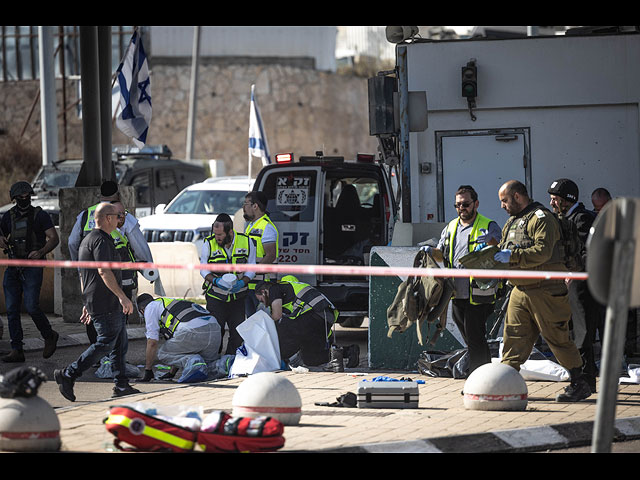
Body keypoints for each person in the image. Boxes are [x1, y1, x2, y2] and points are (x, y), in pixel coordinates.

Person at [493, 180, 590, 402]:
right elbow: (506, 248)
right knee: (513, 337)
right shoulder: (512, 221)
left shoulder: (542, 219)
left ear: (517, 196)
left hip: (546, 290)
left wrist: (513, 256)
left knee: (557, 338)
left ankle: (579, 382)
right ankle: (505, 383)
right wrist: (493, 251)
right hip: (520, 288)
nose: (502, 206)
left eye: (505, 200)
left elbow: (543, 252)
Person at [54, 202, 140, 401]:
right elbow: (102, 271)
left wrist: (86, 302)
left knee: (119, 344)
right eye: (118, 216)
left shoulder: (91, 240)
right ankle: (69, 374)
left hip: (101, 300)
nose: (120, 220)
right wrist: (122, 296)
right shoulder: (100, 241)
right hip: (106, 301)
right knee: (106, 343)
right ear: (108, 218)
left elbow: (86, 276)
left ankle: (121, 385)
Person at [421, 185, 502, 374]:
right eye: (457, 205)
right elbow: (442, 255)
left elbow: (500, 244)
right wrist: (431, 252)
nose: (461, 208)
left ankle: (478, 376)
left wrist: (490, 240)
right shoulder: (451, 227)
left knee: (475, 336)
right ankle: (486, 374)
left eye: (466, 204)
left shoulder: (488, 225)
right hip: (456, 292)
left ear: (476, 204)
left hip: (480, 292)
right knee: (471, 338)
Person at [0, 181, 59, 363]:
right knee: (11, 310)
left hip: (33, 266)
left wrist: (40, 252)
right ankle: (17, 349)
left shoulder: (39, 215)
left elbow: (53, 238)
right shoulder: (8, 216)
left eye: (27, 196)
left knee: (32, 306)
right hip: (13, 267)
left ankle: (49, 335)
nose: (24, 199)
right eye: (20, 197)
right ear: (14, 198)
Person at [548, 178, 598, 392]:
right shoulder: (565, 218)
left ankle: (586, 380)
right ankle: (583, 378)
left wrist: (575, 273)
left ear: (566, 200)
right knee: (572, 330)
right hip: (570, 281)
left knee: (583, 331)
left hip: (582, 283)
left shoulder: (582, 219)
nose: (552, 203)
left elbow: (589, 252)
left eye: (555, 199)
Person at [254, 278, 359, 369]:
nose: (263, 303)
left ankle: (280, 359)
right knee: (311, 358)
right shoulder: (287, 289)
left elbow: (276, 316)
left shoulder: (274, 288)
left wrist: (264, 331)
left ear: (263, 292)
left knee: (281, 328)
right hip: (323, 318)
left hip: (315, 314)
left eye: (261, 300)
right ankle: (348, 351)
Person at [200, 213, 256, 355]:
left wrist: (243, 281)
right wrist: (215, 280)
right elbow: (203, 268)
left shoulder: (246, 241)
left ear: (230, 232)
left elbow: (252, 267)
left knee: (237, 334)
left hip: (238, 297)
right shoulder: (209, 243)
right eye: (215, 233)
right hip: (216, 297)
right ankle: (213, 361)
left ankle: (229, 361)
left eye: (220, 234)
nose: (217, 237)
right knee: (215, 333)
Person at [135, 293, 222, 382]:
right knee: (209, 366)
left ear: (142, 310)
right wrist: (171, 373)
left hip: (193, 330)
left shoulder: (150, 307)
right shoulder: (170, 303)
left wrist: (148, 370)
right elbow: (178, 350)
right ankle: (224, 364)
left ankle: (193, 361)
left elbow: (152, 342)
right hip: (215, 329)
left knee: (163, 353)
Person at [243, 191, 279, 317]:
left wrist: (251, 273)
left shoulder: (266, 227)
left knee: (263, 325)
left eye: (246, 203)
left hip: (262, 286)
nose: (243, 208)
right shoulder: (252, 226)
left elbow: (270, 255)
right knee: (252, 325)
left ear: (255, 206)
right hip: (251, 285)